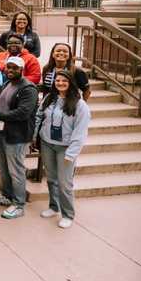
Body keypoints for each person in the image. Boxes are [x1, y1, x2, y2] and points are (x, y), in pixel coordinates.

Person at [36, 70, 91, 229]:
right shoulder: (49, 98)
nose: (60, 83)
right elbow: (39, 116)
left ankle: (68, 214)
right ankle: (54, 206)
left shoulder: (80, 105)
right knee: (52, 179)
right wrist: (35, 136)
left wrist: (71, 153)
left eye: (64, 81)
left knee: (64, 183)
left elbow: (80, 132)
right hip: (47, 143)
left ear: (71, 83)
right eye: (57, 80)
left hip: (65, 148)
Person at [0, 56, 38, 219]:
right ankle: (7, 195)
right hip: (2, 132)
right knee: (4, 168)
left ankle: (19, 204)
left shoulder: (28, 88)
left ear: (21, 70)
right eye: (8, 67)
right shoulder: (7, 83)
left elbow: (23, 112)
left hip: (17, 136)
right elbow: (2, 104)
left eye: (14, 68)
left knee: (16, 170)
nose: (10, 70)